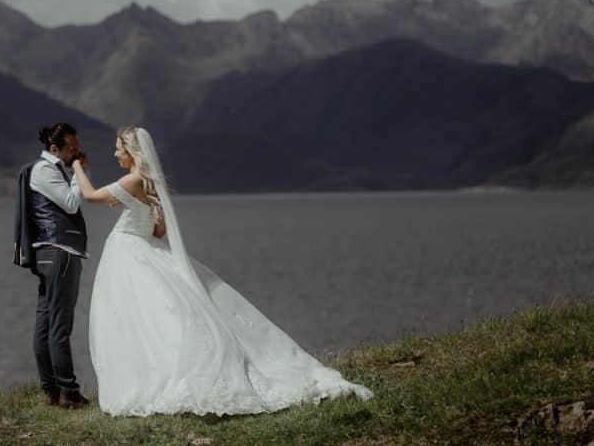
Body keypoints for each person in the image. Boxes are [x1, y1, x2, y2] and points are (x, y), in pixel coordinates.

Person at [70, 126, 373, 416]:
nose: (114, 153)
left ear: (133, 152)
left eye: (119, 148)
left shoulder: (133, 181)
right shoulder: (148, 185)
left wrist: (76, 167)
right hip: (141, 250)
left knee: (139, 319)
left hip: (130, 253)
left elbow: (91, 196)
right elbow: (160, 232)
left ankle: (153, 378)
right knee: (151, 317)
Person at [13, 123, 91, 409]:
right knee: (59, 326)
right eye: (71, 148)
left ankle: (52, 390)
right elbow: (71, 203)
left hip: (51, 254)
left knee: (46, 324)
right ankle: (68, 392)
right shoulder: (45, 170)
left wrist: (72, 169)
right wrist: (78, 172)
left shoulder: (52, 170)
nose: (76, 153)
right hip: (59, 252)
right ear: (54, 148)